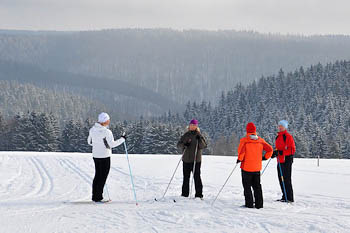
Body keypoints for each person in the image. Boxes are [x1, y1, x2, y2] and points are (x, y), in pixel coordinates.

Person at [87, 112, 126, 202]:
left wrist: (97, 145)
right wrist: (122, 139)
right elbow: (112, 144)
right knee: (103, 176)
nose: (109, 121)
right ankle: (98, 197)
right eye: (108, 120)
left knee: (97, 175)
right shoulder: (107, 132)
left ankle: (95, 196)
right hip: (105, 156)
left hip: (96, 155)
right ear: (104, 121)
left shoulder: (92, 130)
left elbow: (89, 142)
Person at [237, 122, 273, 209]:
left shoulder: (244, 140)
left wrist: (239, 159)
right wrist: (265, 157)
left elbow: (241, 152)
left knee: (247, 187)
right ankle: (259, 204)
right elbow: (270, 149)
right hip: (257, 168)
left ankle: (249, 204)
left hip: (246, 168)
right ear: (255, 130)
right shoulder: (260, 141)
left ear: (247, 130)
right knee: (257, 186)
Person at [177, 119, 207, 199]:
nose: (192, 126)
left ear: (196, 126)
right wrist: (184, 144)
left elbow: (203, 146)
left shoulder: (199, 135)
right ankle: (184, 194)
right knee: (186, 177)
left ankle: (199, 195)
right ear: (189, 126)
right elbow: (179, 145)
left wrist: (199, 139)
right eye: (191, 125)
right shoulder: (185, 135)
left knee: (197, 177)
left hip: (196, 160)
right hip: (186, 159)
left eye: (194, 125)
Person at [271, 120, 296, 202]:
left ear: (285, 127)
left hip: (287, 160)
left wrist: (281, 152)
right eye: (279, 126)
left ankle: (289, 198)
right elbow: (278, 148)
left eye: (282, 126)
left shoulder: (288, 136)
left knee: (287, 179)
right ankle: (284, 196)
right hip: (280, 161)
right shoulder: (278, 137)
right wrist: (275, 153)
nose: (280, 127)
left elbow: (292, 150)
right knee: (281, 179)